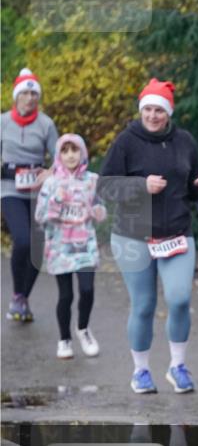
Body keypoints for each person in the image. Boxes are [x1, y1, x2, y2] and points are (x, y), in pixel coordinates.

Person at [99, 79, 198, 394]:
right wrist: (140, 186)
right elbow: (105, 186)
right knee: (144, 305)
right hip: (133, 235)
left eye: (159, 110)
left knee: (180, 298)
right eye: (147, 109)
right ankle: (141, 371)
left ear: (168, 113)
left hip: (176, 234)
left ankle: (178, 366)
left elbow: (190, 185)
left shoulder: (184, 141)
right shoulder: (126, 141)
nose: (152, 115)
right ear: (141, 111)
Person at [34, 134, 104, 358]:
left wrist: (96, 211)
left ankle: (83, 329)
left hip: (85, 245)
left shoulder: (92, 180)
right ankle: (64, 339)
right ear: (58, 156)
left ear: (83, 153)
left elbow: (101, 211)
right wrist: (57, 201)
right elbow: (40, 216)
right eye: (65, 151)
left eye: (75, 150)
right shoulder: (51, 183)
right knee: (66, 296)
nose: (71, 155)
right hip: (60, 247)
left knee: (87, 290)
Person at [1, 68, 58, 322]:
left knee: (37, 247)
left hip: (38, 191)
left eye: (34, 94)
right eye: (25, 93)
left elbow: (60, 158)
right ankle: (17, 294)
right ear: (16, 96)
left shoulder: (46, 124)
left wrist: (50, 172)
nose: (29, 98)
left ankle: (23, 298)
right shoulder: (3, 122)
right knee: (23, 240)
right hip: (9, 189)